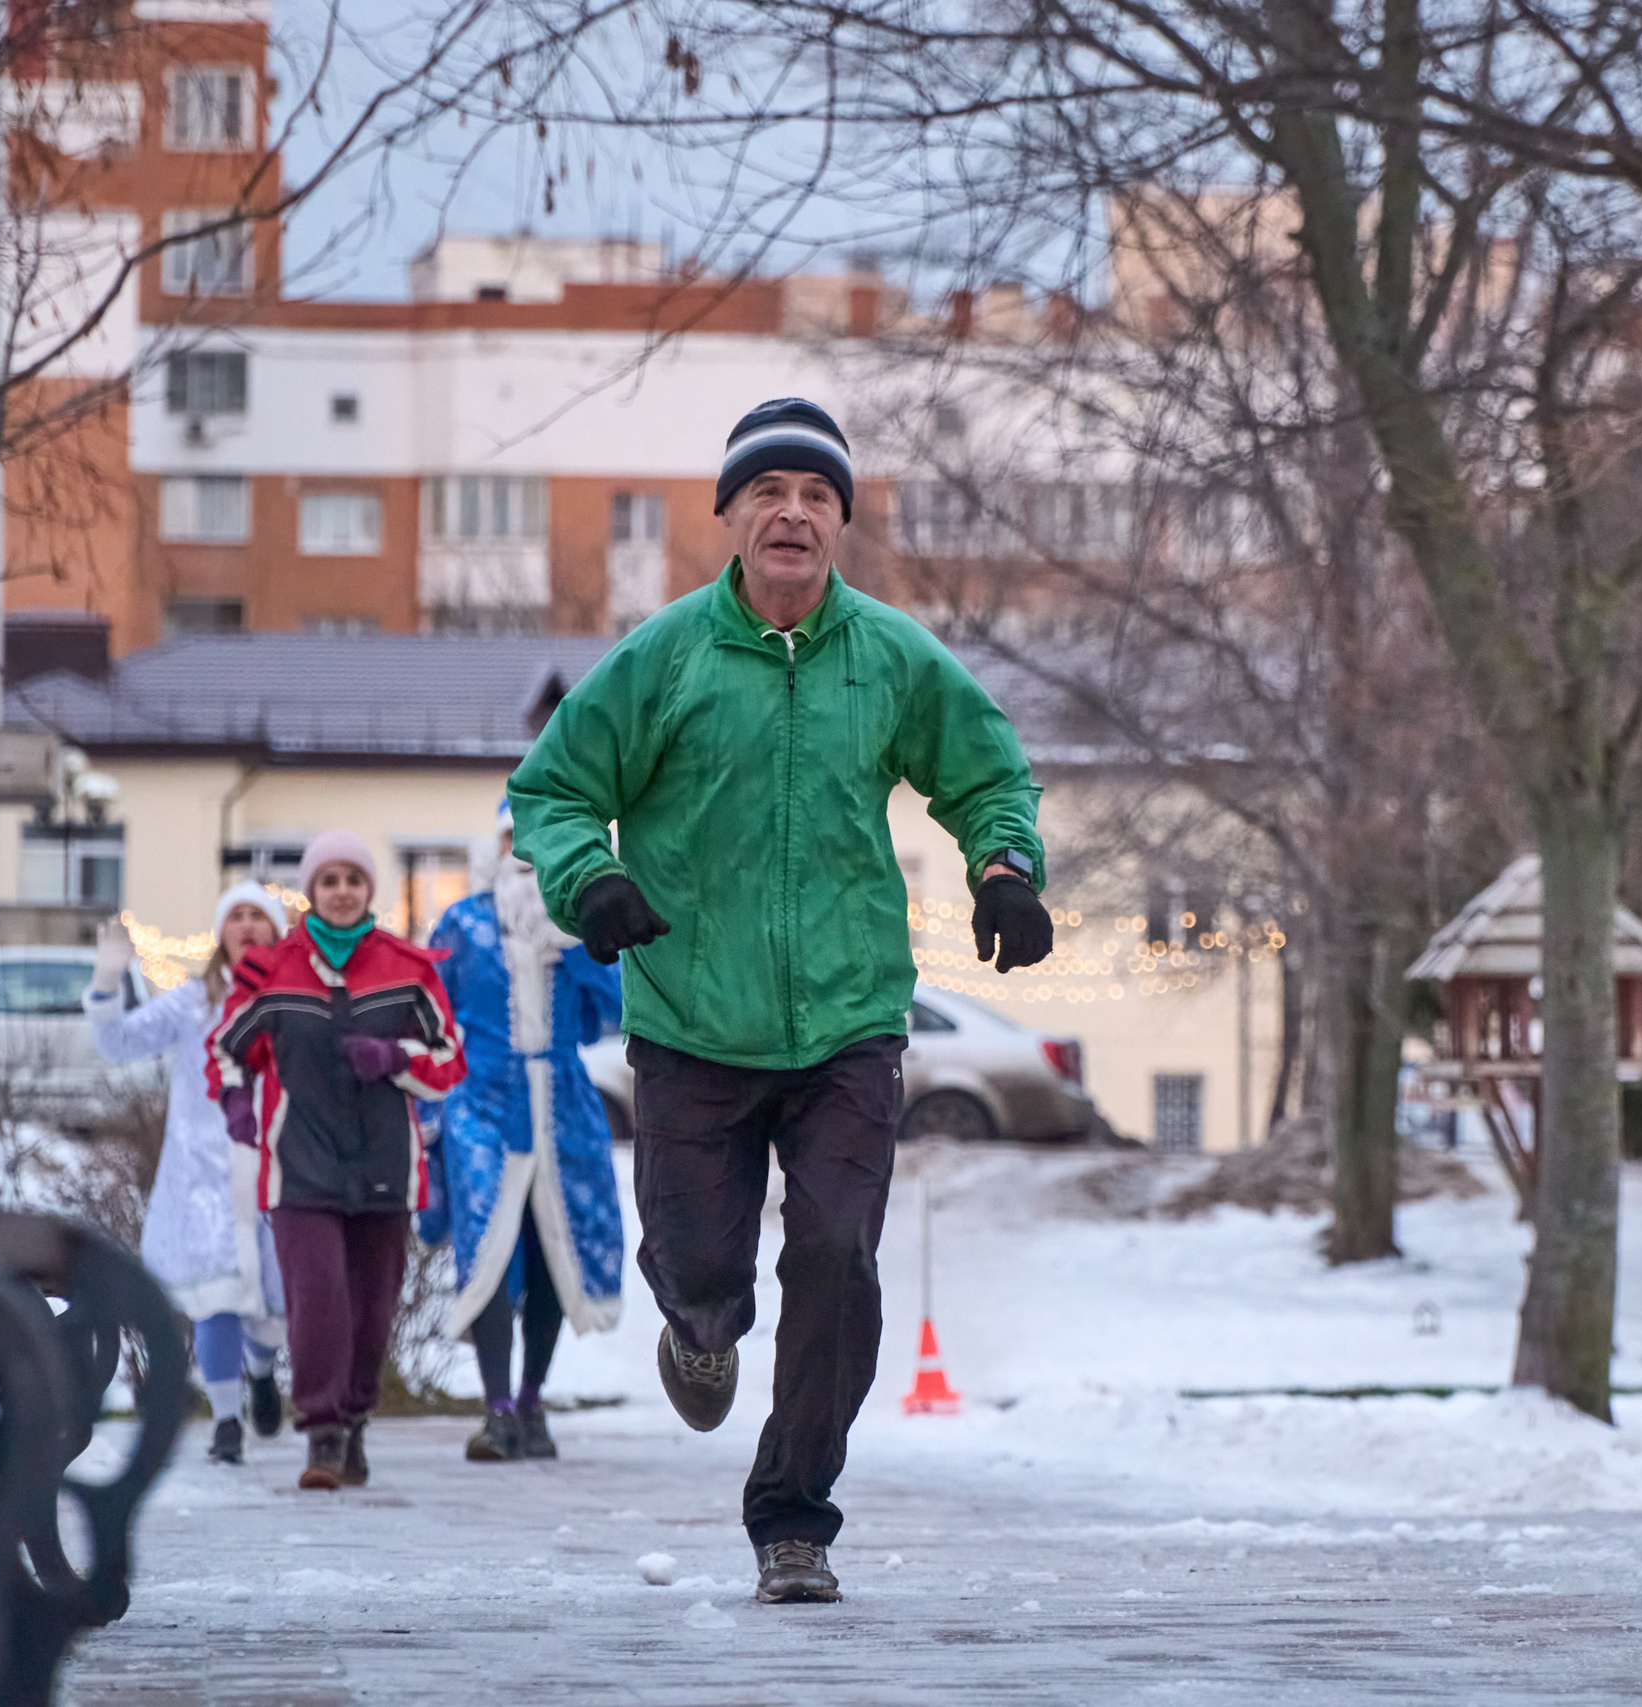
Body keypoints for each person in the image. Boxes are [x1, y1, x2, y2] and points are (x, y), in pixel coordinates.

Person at [510, 397, 1055, 1604]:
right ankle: (698, 1329)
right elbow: (550, 791)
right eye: (769, 491)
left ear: (840, 525)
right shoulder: (664, 659)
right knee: (704, 1273)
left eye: (817, 494)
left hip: (849, 1025)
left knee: (838, 1262)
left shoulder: (893, 657)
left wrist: (1004, 866)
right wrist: (589, 877)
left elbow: (986, 771)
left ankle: (792, 1520)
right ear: (732, 518)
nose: (793, 511)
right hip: (693, 1023)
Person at [208, 832, 465, 1491]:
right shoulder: (272, 969)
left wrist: (398, 1060)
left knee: (372, 1307)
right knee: (317, 1296)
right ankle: (321, 1430)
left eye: (355, 878)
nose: (343, 889)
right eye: (330, 879)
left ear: (369, 889)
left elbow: (450, 1061)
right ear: (312, 891)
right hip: (300, 1163)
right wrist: (238, 1105)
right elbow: (226, 1049)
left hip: (386, 1162)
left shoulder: (409, 967)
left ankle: (353, 1422)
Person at [421, 799, 625, 1462]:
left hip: (563, 1105)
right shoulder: (461, 922)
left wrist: (586, 947)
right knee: (488, 1251)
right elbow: (429, 1016)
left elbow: (608, 1013)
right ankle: (497, 1407)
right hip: (482, 1104)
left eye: (542, 841)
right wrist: (429, 1108)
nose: (527, 852)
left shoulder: (574, 927)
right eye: (517, 837)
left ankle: (532, 1400)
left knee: (552, 1254)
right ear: (499, 844)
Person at [87, 883, 291, 1464]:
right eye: (238, 916)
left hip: (276, 1171)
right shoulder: (193, 1001)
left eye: (260, 916)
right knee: (216, 1298)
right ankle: (227, 1420)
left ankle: (261, 1372)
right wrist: (106, 984)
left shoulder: (293, 998)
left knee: (273, 1306)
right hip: (202, 1178)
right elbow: (118, 1042)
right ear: (221, 930)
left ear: (277, 930)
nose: (248, 926)